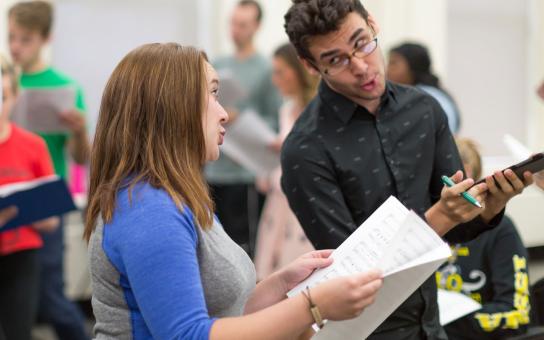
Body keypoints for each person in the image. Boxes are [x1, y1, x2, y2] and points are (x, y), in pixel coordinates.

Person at [84, 43, 383, 339]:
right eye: (213, 94)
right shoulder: (149, 210)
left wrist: (281, 284)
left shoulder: (174, 197)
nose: (224, 113)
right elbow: (190, 335)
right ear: (173, 106)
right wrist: (312, 306)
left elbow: (225, 314)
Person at [281, 1, 533, 339]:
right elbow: (352, 275)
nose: (360, 67)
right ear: (310, 66)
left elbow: (459, 230)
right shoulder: (306, 148)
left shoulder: (424, 111)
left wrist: (491, 206)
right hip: (368, 331)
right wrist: (439, 217)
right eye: (336, 60)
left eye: (362, 43)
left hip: (432, 322)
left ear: (373, 24)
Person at [8, 2, 90, 339]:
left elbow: (82, 159)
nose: (15, 46)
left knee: (51, 296)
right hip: (6, 194)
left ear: (46, 38)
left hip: (45, 202)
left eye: (25, 39)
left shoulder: (64, 89)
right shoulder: (4, 80)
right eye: (11, 37)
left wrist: (79, 130)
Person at [205, 0, 282, 256]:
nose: (235, 30)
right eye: (232, 23)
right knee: (212, 245)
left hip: (245, 175)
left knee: (242, 246)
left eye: (242, 24)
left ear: (256, 27)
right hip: (214, 170)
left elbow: (276, 120)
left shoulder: (267, 69)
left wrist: (242, 117)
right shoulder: (217, 63)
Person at [436, 138, 531, 339]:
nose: (460, 194)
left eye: (469, 185)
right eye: (453, 184)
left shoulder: (501, 230)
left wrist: (441, 325)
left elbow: (518, 314)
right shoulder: (425, 224)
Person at [0, 56, 58, 340]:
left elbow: (51, 222)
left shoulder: (33, 146)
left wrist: (19, 210)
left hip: (21, 257)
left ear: (14, 96)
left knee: (19, 332)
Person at [254, 43, 318, 280]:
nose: (275, 79)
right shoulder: (287, 109)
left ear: (299, 70)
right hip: (277, 202)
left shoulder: (317, 111)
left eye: (280, 72)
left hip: (300, 207)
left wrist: (289, 149)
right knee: (270, 273)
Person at [387, 42, 461, 134]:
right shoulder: (434, 93)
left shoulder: (421, 98)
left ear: (412, 66)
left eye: (393, 63)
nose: (387, 70)